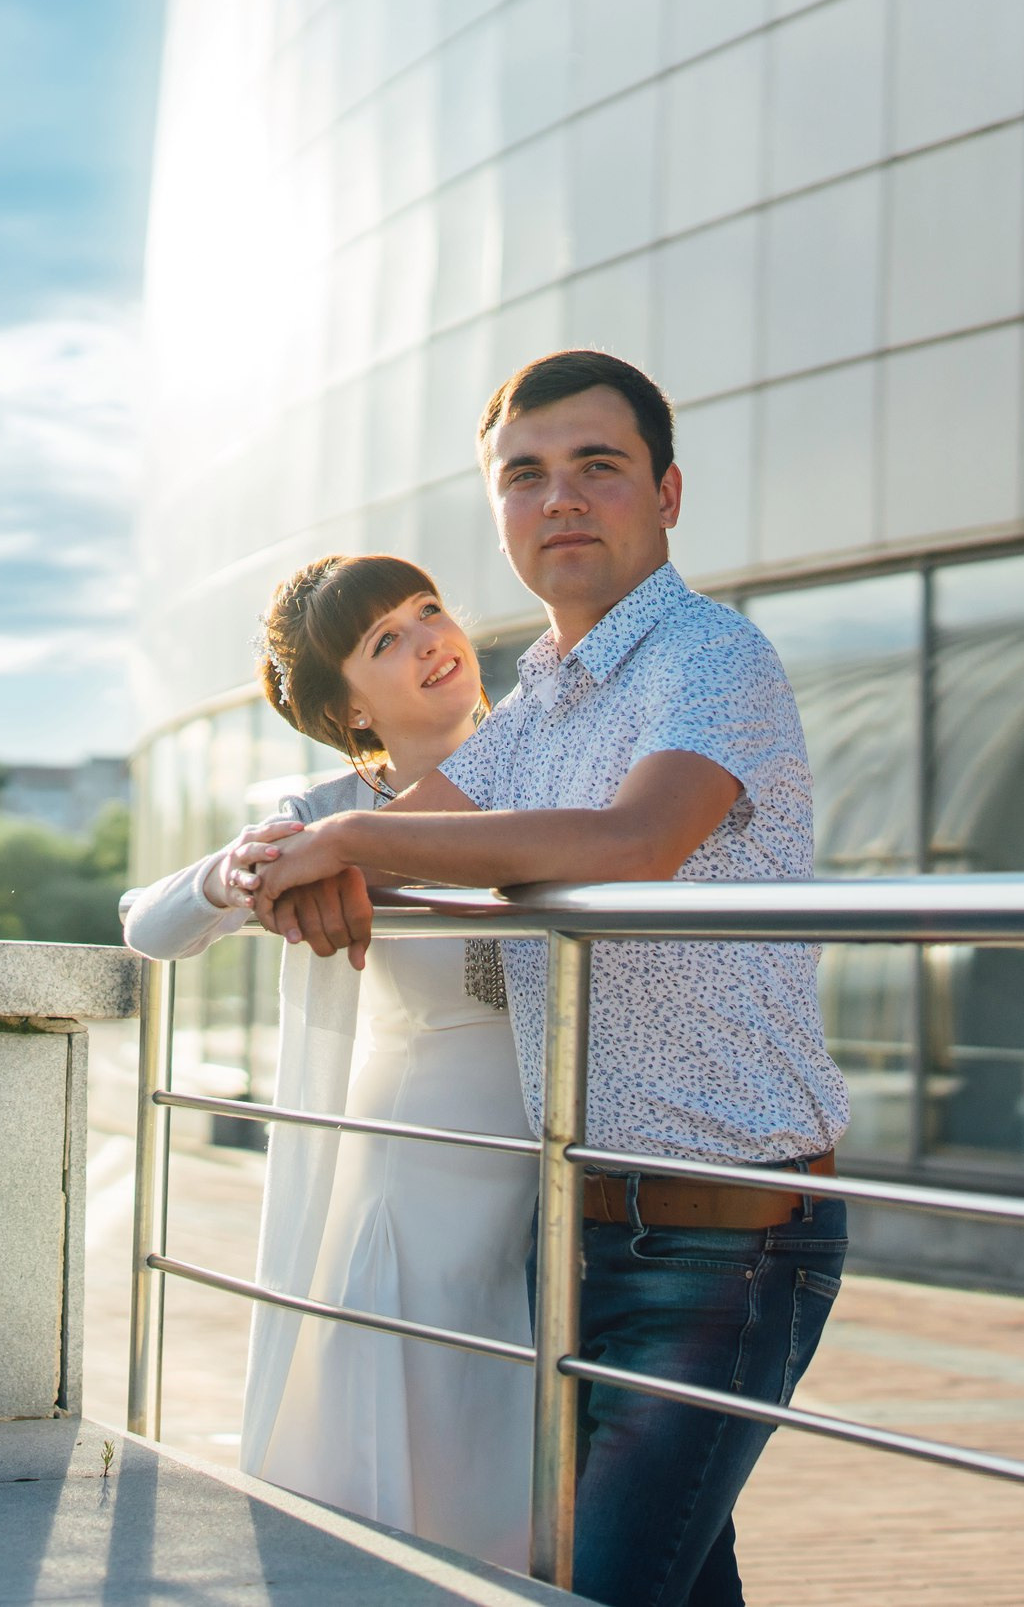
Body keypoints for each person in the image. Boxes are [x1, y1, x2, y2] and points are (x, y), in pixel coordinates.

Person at [240, 350, 851, 1607]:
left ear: (666, 494)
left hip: (725, 1239)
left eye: (597, 467)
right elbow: (424, 836)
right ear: (500, 513)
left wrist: (347, 843)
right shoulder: (536, 708)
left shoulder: (709, 656)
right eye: (526, 476)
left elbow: (635, 844)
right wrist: (283, 860)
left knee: (583, 1586)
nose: (559, 497)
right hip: (574, 1235)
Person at [123, 553, 537, 1570]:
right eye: (382, 641)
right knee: (424, 1446)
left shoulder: (549, 764)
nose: (428, 640)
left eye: (427, 611)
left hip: (554, 1154)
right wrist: (238, 874)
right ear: (348, 707)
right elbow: (147, 924)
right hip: (411, 1171)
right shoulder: (317, 813)